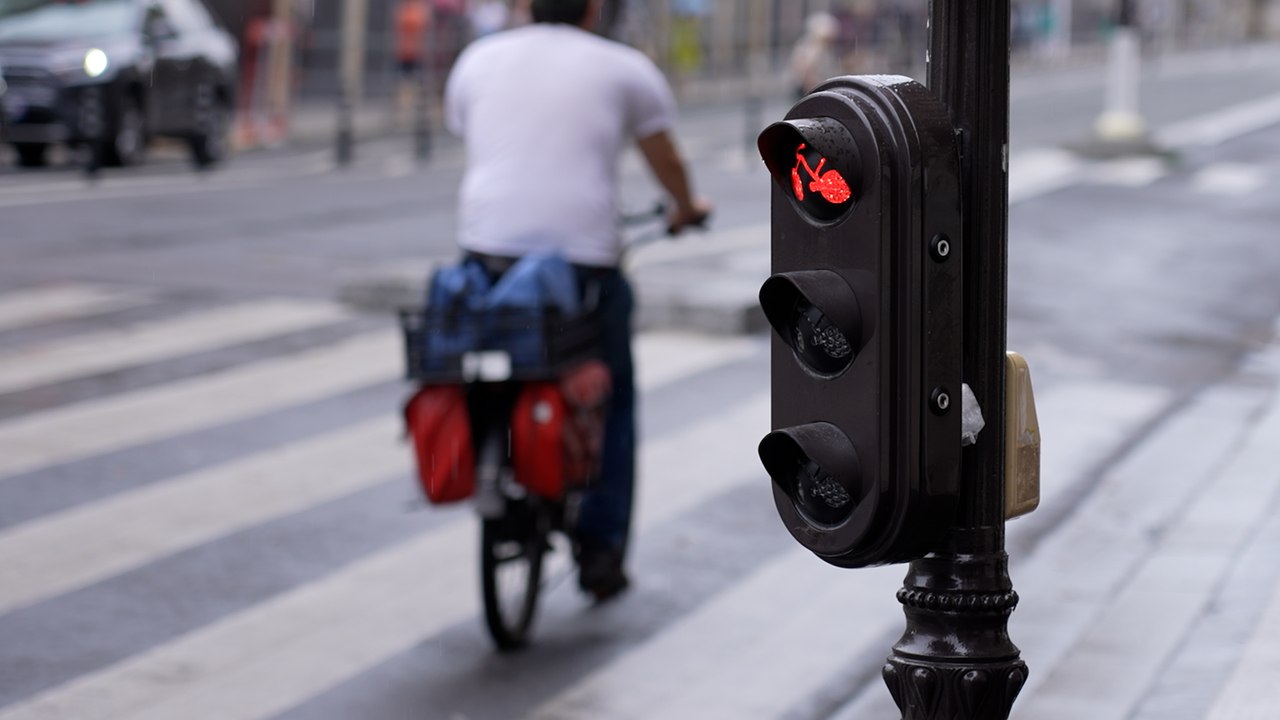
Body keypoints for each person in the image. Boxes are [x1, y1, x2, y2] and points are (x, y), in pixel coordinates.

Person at [444, 0, 710, 601]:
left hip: (488, 260)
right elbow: (664, 158)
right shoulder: (624, 68)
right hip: (584, 268)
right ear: (594, 9)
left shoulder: (476, 59)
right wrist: (687, 206)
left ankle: (498, 468)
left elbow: (473, 134)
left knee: (491, 366)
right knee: (613, 397)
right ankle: (601, 550)